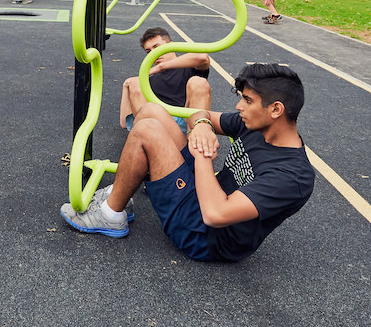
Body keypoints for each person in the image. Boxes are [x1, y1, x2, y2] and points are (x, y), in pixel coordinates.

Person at [61, 63, 315, 262]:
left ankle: (109, 215)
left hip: (206, 237)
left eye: (247, 100)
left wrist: (201, 147)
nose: (239, 106)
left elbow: (216, 214)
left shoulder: (292, 175)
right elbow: (200, 115)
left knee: (147, 130)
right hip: (203, 195)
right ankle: (120, 195)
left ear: (276, 109)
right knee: (152, 112)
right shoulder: (258, 127)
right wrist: (203, 126)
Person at [118, 26, 212, 131]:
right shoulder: (148, 80)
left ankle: (197, 138)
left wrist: (161, 66)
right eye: (149, 51)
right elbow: (124, 123)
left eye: (157, 47)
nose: (154, 54)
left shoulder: (189, 67)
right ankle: (151, 138)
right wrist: (127, 85)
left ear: (171, 45)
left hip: (187, 122)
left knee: (199, 82)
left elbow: (203, 57)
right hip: (158, 125)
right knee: (135, 82)